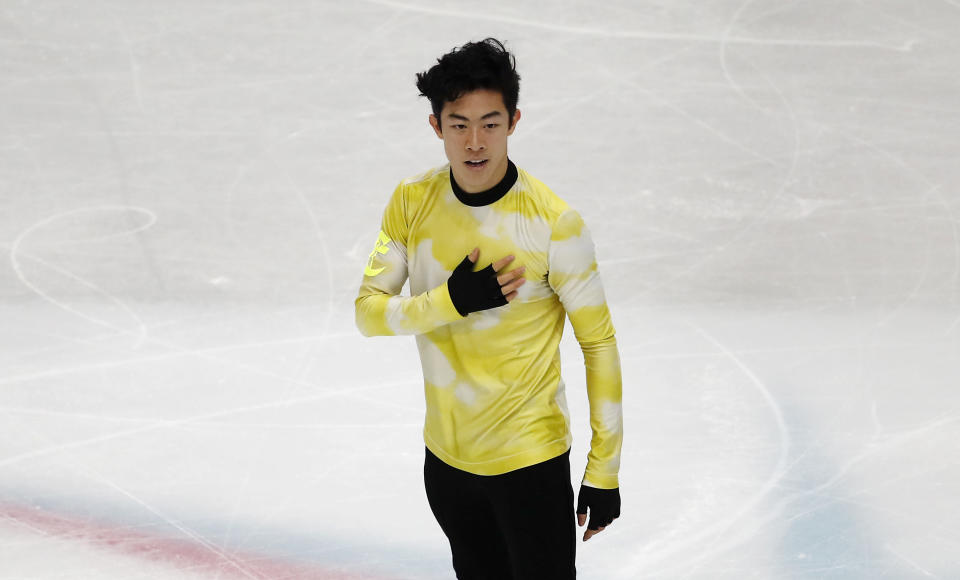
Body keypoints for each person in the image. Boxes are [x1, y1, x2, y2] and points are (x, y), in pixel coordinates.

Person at [355, 38, 622, 579]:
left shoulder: (553, 224)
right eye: (458, 125)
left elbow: (598, 344)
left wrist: (605, 469)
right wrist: (452, 301)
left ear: (514, 121)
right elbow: (367, 312)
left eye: (490, 123)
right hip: (447, 467)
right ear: (436, 127)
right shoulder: (411, 201)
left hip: (530, 467)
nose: (475, 142)